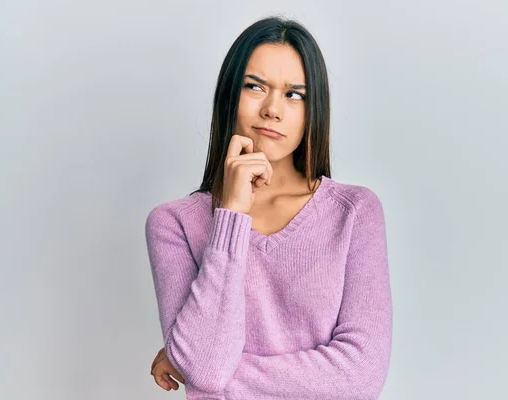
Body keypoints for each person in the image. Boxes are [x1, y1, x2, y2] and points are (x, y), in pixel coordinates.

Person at [145, 16, 393, 399]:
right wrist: (231, 215)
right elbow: (207, 368)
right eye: (255, 87)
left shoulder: (354, 212)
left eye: (295, 94)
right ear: (229, 95)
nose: (273, 110)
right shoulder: (173, 224)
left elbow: (360, 377)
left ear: (314, 110)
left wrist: (191, 363)